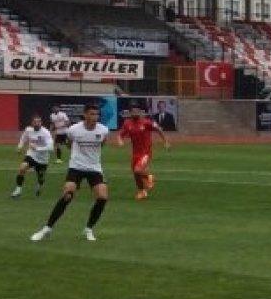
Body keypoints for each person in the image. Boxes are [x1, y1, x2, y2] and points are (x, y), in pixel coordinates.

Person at [30, 103, 110, 242]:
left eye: (97, 114)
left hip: (94, 167)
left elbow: (102, 143)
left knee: (103, 197)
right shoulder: (74, 129)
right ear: (85, 115)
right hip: (76, 167)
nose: (95, 117)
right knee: (67, 194)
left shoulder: (103, 130)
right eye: (91, 114)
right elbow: (68, 143)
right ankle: (47, 228)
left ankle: (89, 229)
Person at [118, 101, 171, 201]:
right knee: (136, 174)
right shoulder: (127, 123)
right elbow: (120, 134)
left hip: (145, 153)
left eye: (137, 111)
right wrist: (120, 141)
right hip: (135, 153)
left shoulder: (147, 122)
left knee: (138, 170)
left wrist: (165, 141)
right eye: (133, 111)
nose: (135, 113)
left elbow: (159, 129)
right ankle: (142, 192)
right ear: (130, 113)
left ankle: (149, 177)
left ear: (140, 112)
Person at [11, 114, 53, 198]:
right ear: (32, 123)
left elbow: (51, 147)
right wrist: (20, 147)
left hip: (43, 159)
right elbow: (23, 138)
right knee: (22, 167)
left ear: (41, 123)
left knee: (41, 178)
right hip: (31, 155)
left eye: (39, 122)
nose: (37, 123)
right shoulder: (28, 130)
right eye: (35, 122)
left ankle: (39, 186)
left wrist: (37, 148)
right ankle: (18, 190)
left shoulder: (45, 132)